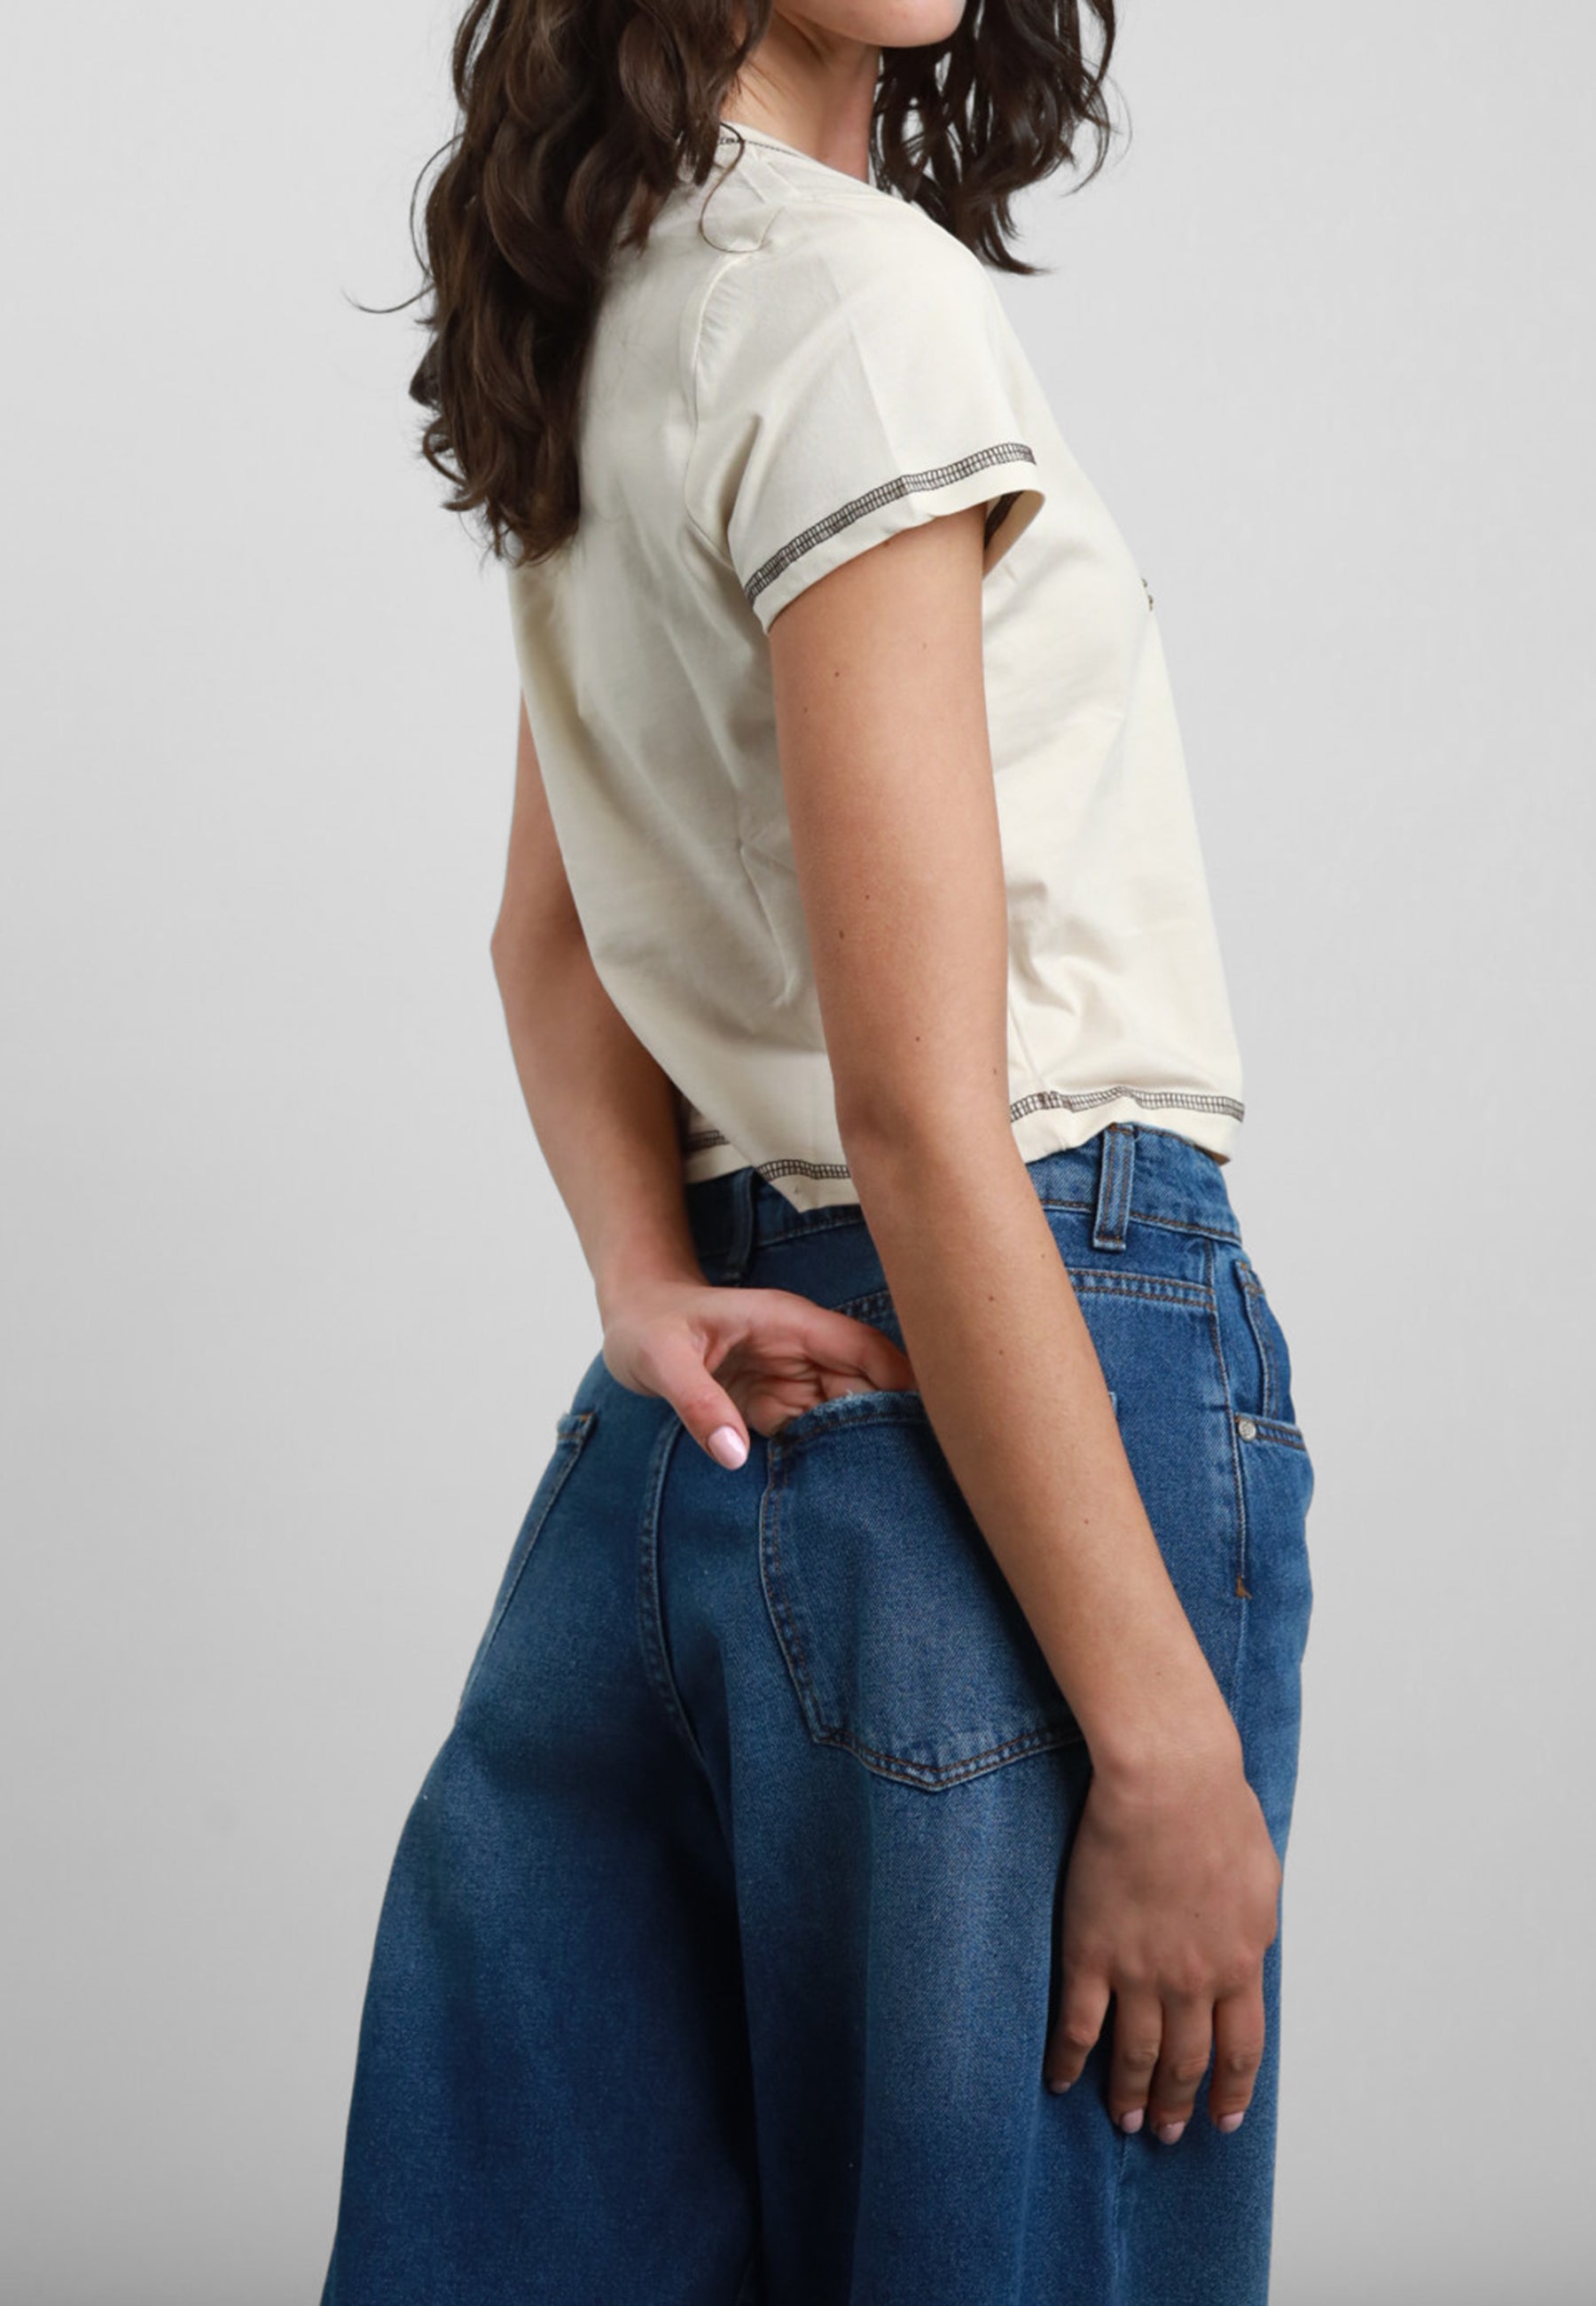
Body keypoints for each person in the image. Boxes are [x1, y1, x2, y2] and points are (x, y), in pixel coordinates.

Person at [318, 4, 1316, 2300]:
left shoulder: (609, 308)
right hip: (1031, 1348)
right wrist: (1162, 1747)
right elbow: (919, 1112)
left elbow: (547, 934)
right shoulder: (862, 306)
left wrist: (642, 1277)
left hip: (711, 1432)